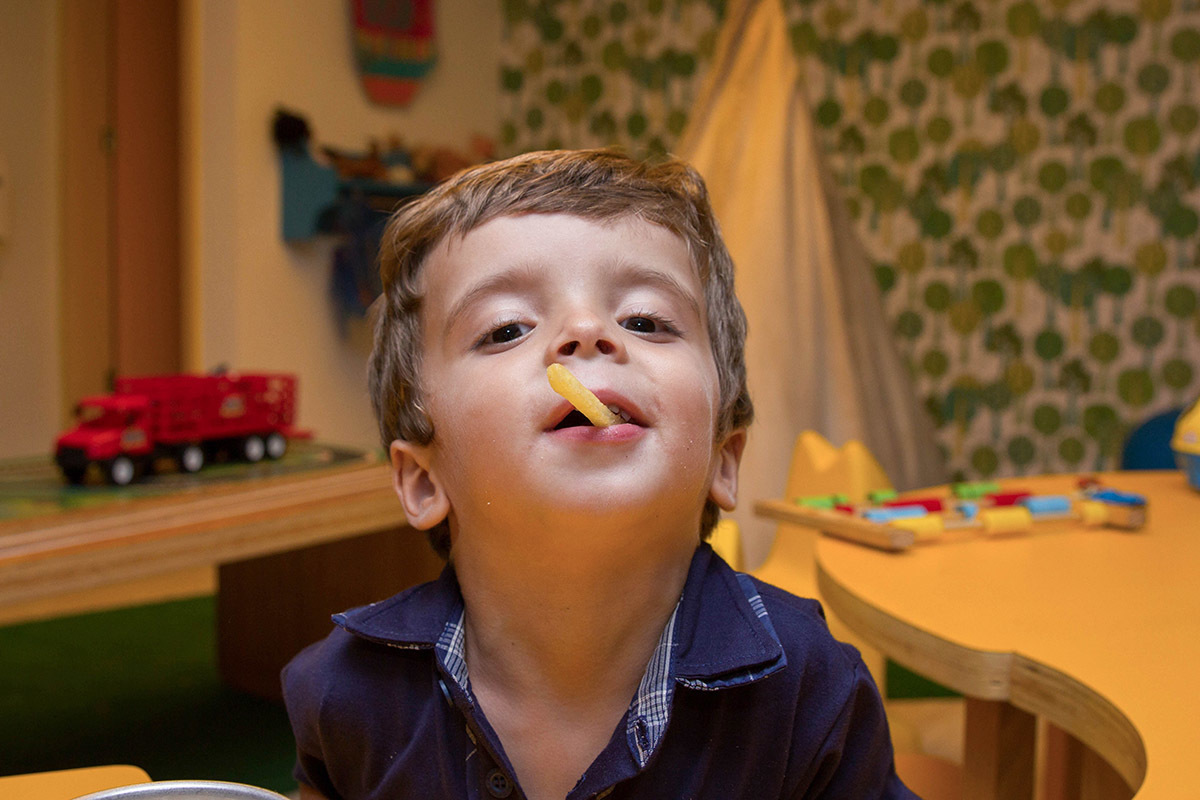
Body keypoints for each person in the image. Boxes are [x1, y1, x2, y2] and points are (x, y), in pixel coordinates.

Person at [282, 149, 918, 800]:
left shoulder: (810, 690)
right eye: (506, 329)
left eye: (645, 321)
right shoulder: (347, 694)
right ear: (423, 482)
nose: (586, 332)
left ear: (722, 461)